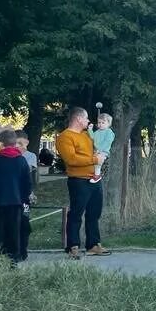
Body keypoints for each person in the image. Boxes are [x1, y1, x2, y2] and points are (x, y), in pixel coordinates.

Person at [56, 106, 111, 259]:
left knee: (94, 213)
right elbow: (71, 159)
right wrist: (94, 159)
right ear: (79, 119)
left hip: (95, 179)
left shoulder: (87, 135)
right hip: (79, 180)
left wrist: (105, 128)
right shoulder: (65, 137)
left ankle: (93, 245)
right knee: (76, 214)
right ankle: (72, 247)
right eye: (86, 118)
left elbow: (102, 139)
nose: (88, 121)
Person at [0, 129, 31, 264]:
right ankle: (13, 258)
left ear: (0, 143)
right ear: (14, 143)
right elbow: (27, 183)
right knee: (13, 230)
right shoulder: (21, 160)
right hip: (16, 202)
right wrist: (24, 198)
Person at [15, 130, 38, 262]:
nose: (18, 146)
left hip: (24, 194)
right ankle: (14, 250)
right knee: (13, 223)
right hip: (12, 195)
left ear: (26, 142)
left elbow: (26, 171)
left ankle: (23, 250)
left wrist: (31, 193)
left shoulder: (30, 156)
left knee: (24, 222)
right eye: (16, 143)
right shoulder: (9, 156)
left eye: (21, 143)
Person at [88, 112, 115, 183]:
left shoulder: (109, 132)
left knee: (98, 162)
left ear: (108, 124)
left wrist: (99, 150)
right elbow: (92, 137)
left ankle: (97, 176)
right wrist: (90, 129)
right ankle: (95, 174)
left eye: (103, 123)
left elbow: (107, 142)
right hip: (96, 151)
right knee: (92, 161)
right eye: (99, 122)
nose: (100, 124)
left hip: (103, 151)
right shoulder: (97, 132)